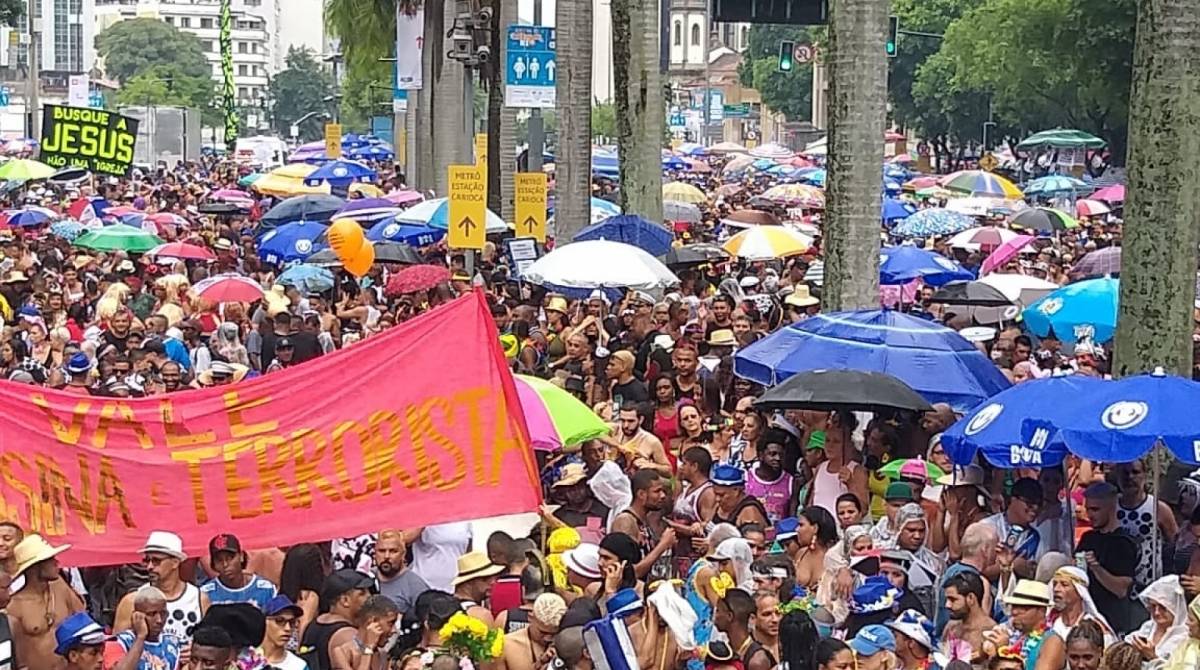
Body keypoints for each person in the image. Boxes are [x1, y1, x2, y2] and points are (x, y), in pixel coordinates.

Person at [8, 534, 85, 670]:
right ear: (35, 567)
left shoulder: (61, 588)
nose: (56, 562)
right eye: (50, 559)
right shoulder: (15, 606)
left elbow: (84, 621)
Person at [114, 531, 208, 642]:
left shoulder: (199, 599)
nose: (149, 567)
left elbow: (211, 642)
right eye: (147, 560)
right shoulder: (132, 600)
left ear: (175, 562)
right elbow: (118, 646)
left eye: (156, 561)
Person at [1075, 482, 1138, 634]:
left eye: (1095, 509)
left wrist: (1096, 568)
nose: (1090, 515)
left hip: (1112, 621)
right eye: (1088, 509)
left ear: (1111, 508)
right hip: (1085, 616)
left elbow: (1121, 590)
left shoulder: (1124, 543)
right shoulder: (1088, 538)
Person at [1114, 460, 1178, 593]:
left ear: (1145, 475)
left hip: (1151, 587)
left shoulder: (1158, 508)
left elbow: (1175, 545)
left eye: (1135, 472)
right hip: (1117, 586)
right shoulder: (1110, 507)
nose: (1130, 477)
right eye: (1125, 473)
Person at [300, 569, 375, 670]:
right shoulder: (348, 635)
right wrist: (369, 646)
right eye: (362, 594)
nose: (369, 597)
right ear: (345, 600)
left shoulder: (313, 625)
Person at [935, 521, 999, 637]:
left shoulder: (949, 571)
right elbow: (982, 628)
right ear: (985, 550)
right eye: (995, 547)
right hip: (962, 642)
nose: (997, 553)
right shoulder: (980, 582)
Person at [610, 469, 675, 581]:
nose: (663, 496)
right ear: (641, 494)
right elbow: (628, 573)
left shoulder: (644, 520)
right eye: (657, 491)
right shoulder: (625, 521)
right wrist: (663, 545)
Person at [104, 586, 181, 670]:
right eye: (152, 614)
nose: (159, 620)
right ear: (136, 615)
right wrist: (140, 637)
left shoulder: (172, 645)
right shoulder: (119, 642)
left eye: (163, 614)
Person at [667, 446, 717, 574]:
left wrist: (673, 526)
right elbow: (674, 504)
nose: (681, 467)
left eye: (684, 463)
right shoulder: (687, 488)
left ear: (694, 466)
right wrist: (677, 478)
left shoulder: (707, 493)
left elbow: (706, 528)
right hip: (679, 553)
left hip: (694, 557)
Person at [984, 478, 1044, 583]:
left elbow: (1037, 573)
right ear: (1013, 500)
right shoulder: (988, 526)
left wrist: (1030, 572)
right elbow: (977, 569)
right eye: (1029, 502)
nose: (1035, 508)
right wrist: (1012, 565)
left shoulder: (1035, 537)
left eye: (1039, 504)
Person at [985, 580, 1052, 670]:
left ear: (1042, 610)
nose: (1014, 612)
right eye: (1014, 606)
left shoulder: (1051, 641)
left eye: (1023, 608)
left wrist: (1005, 650)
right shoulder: (1013, 633)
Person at [200, 533, 278, 610]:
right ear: (213, 564)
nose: (225, 564)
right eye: (219, 560)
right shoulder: (205, 593)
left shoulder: (265, 589)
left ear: (241, 556)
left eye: (230, 558)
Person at [1124, 575, 1190, 664]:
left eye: (1163, 607)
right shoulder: (1148, 627)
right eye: (1153, 606)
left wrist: (1152, 657)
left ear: (1175, 608)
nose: (1157, 612)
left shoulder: (1185, 637)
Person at [496, 593, 566, 670]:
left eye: (553, 634)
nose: (547, 638)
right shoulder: (507, 645)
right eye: (542, 632)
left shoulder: (569, 647)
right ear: (530, 618)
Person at [941, 571, 996, 666]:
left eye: (953, 599)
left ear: (971, 598)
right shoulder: (951, 627)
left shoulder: (991, 632)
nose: (947, 605)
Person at [329, 595, 398, 670]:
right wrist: (368, 648)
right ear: (373, 621)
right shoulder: (342, 652)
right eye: (390, 623)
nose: (394, 630)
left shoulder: (384, 656)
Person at [744, 430, 799, 524]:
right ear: (760, 455)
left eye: (781, 455)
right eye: (772, 454)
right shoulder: (746, 478)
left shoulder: (790, 482)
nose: (778, 458)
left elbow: (792, 517)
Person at [373, 529, 429, 618]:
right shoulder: (366, 577)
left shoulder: (415, 585)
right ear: (375, 553)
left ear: (403, 554)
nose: (386, 556)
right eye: (382, 551)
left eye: (393, 551)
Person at [608, 404, 672, 475]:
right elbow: (598, 431)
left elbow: (668, 471)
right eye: (623, 420)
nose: (626, 425)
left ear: (641, 420)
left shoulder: (651, 441)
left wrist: (652, 466)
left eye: (631, 421)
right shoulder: (614, 431)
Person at [451, 552, 504, 626]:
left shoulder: (442, 608)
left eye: (494, 577)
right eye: (485, 578)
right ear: (469, 582)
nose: (493, 582)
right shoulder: (481, 615)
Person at [710, 464, 769, 529]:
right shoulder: (719, 506)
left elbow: (754, 535)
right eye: (715, 494)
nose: (717, 499)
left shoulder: (749, 512)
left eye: (721, 495)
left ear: (736, 490)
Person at [259, 596, 309, 670]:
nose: (288, 628)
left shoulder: (299, 666)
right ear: (264, 621)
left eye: (292, 622)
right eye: (279, 620)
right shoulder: (245, 658)